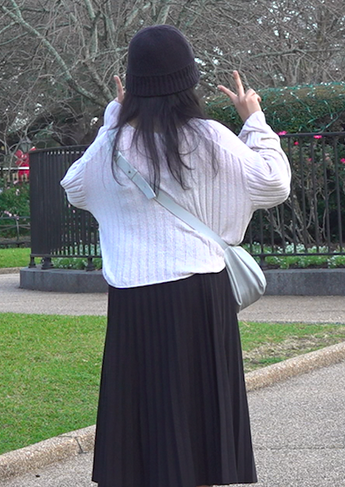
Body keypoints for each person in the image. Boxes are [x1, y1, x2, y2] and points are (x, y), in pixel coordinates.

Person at [60, 25, 291, 487]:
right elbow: (273, 184)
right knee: (199, 419)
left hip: (134, 299)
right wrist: (255, 122)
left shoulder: (112, 146)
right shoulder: (209, 136)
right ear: (190, 82)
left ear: (132, 85)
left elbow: (74, 188)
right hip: (199, 296)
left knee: (142, 420)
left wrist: (112, 119)